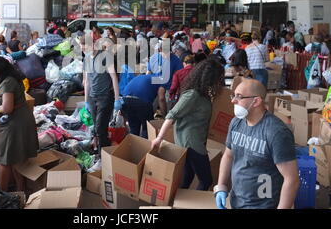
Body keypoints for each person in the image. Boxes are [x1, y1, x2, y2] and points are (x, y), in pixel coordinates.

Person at [215, 79, 300, 209]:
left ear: (256, 101)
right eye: (234, 95)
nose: (233, 101)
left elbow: (291, 179)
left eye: (239, 97)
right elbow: (228, 155)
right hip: (237, 202)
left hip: (265, 205)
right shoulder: (236, 123)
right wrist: (221, 186)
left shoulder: (276, 132)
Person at [151, 59, 225, 190]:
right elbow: (171, 115)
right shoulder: (193, 95)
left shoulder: (202, 94)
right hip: (191, 144)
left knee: (188, 176)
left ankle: (178, 202)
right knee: (206, 180)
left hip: (191, 142)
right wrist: (159, 138)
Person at [0, 56, 38, 192]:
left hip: (14, 123)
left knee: (4, 160)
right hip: (23, 118)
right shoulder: (14, 78)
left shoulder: (7, 82)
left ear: (0, 70)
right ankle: (21, 191)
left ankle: (2, 195)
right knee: (17, 159)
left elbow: (7, 108)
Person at [81, 36, 121, 154]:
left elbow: (114, 77)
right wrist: (86, 101)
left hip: (105, 97)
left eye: (85, 48)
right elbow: (87, 81)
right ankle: (101, 153)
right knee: (97, 129)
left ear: (93, 45)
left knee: (99, 129)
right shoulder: (87, 59)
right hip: (93, 98)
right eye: (82, 49)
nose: (84, 51)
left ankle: (103, 155)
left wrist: (117, 99)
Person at [121, 74, 167, 138]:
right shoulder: (162, 80)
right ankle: (146, 147)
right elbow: (161, 98)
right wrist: (166, 117)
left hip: (125, 100)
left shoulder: (145, 76)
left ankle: (134, 147)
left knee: (134, 129)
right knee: (148, 129)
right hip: (142, 102)